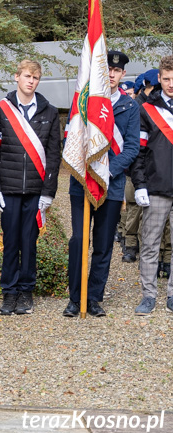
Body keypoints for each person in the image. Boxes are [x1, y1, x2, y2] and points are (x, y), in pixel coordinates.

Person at [63, 51, 139, 318]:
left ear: (123, 75)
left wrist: (108, 172)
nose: (111, 74)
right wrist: (86, 169)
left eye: (116, 71)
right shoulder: (83, 101)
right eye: (107, 69)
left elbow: (131, 148)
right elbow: (70, 140)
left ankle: (94, 297)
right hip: (82, 183)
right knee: (78, 241)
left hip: (112, 185)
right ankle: (75, 298)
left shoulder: (130, 107)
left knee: (104, 243)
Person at [0, 60, 61, 316]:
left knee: (29, 242)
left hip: (35, 190)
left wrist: (49, 192)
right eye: (28, 76)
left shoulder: (49, 112)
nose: (32, 81)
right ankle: (9, 292)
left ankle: (26, 291)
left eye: (36, 78)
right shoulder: (0, 110)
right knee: (10, 242)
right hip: (8, 188)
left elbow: (53, 156)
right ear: (16, 77)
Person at [130, 55, 173, 315]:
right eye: (166, 79)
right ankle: (149, 295)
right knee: (149, 245)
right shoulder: (146, 109)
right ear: (159, 78)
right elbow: (139, 151)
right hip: (156, 187)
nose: (171, 84)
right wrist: (140, 184)